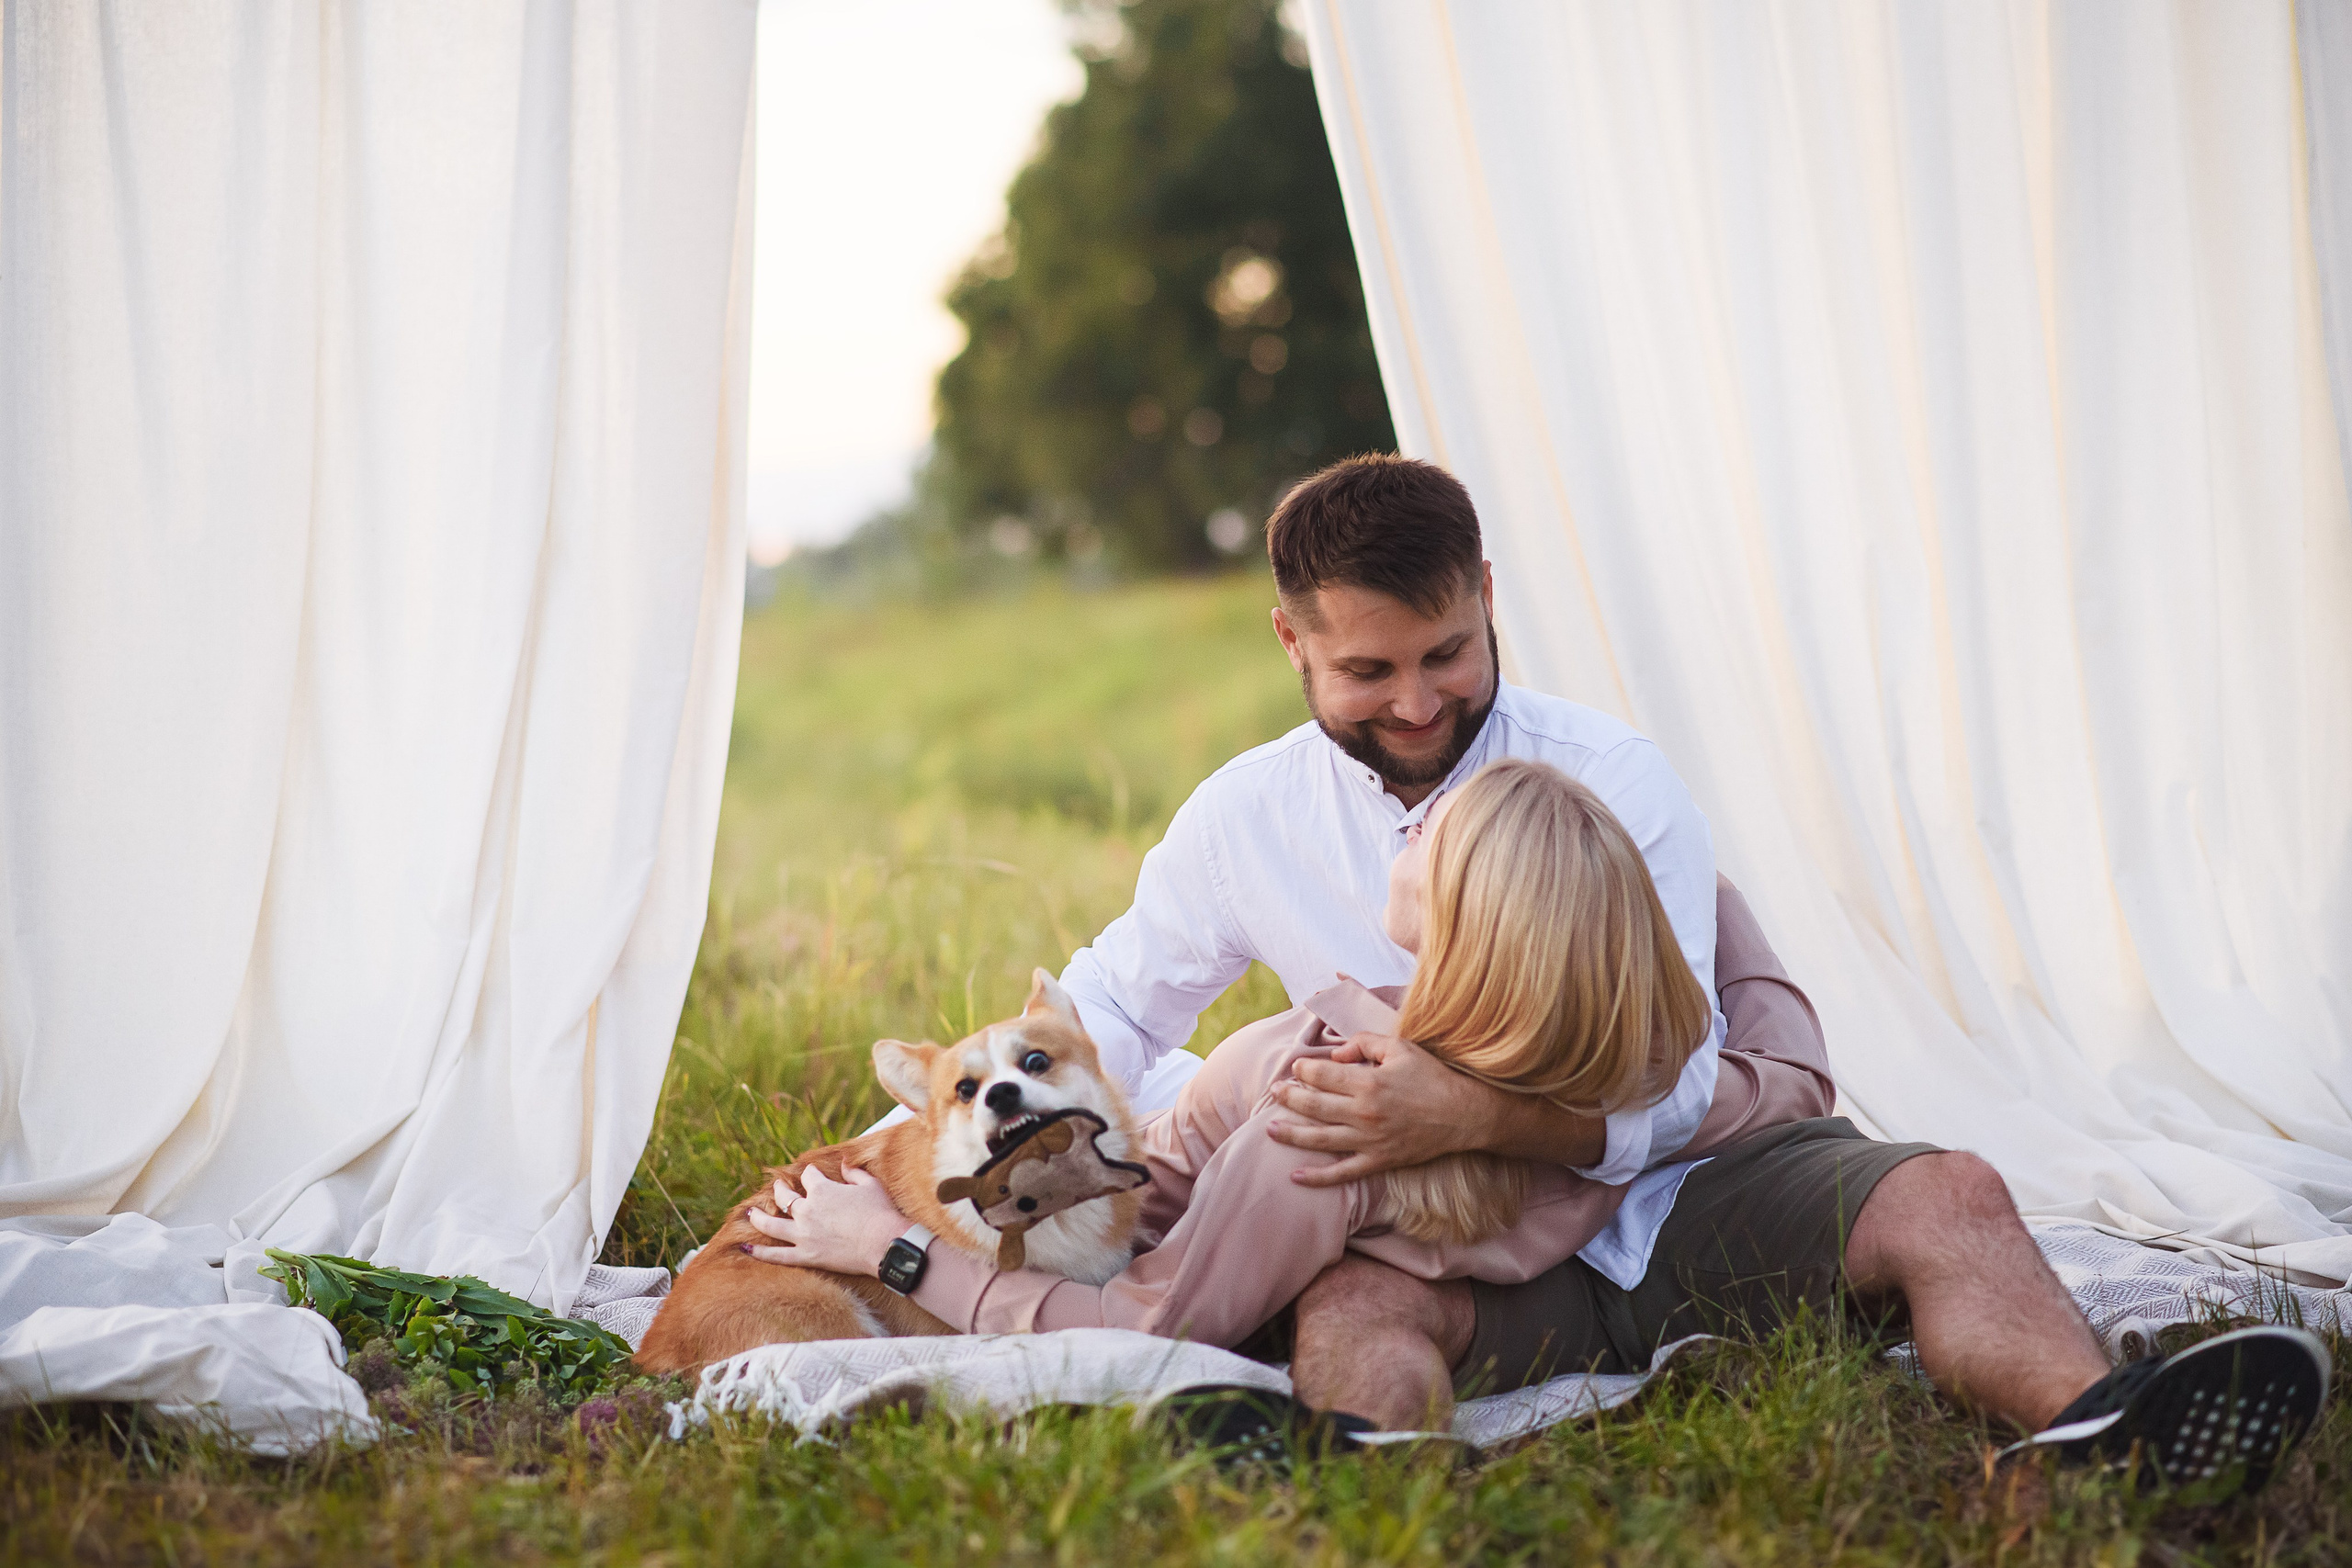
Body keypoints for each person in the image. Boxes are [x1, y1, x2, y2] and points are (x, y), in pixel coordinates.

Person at [773, 454, 2329, 1491]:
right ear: (1291, 645)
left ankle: (2101, 1432)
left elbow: (1681, 1070)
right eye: (1367, 670)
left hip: (1655, 1185)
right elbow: (1095, 1023)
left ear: (1489, 599)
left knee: (1954, 1192)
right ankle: (1386, 1481)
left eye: (1445, 653)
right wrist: (932, 1168)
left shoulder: (1601, 784)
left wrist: (1466, 1108)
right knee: (1355, 1323)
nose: (1416, 702)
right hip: (1428, 1236)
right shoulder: (1253, 836)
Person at [753, 760, 1821, 1362]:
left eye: (1437, 837)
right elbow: (1794, 1079)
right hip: (1173, 1150)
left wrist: (894, 1254)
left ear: (1462, 928)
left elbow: (1146, 1323)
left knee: (849, 1208)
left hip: (1147, 1224)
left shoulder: (1327, 1117)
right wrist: (1701, 894)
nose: (1415, 817)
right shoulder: (1630, 1075)